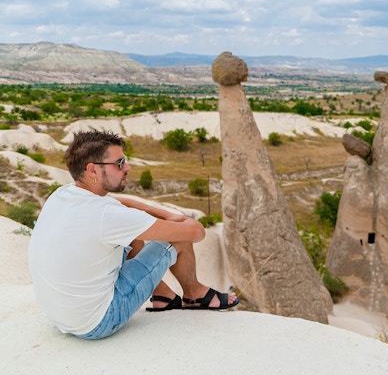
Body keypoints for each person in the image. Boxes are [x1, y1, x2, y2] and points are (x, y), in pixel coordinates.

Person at [28, 129, 238, 340]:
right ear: (92, 170)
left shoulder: (63, 194)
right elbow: (195, 232)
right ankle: (194, 295)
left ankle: (163, 295)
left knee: (132, 236)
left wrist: (163, 213)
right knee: (178, 239)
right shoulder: (108, 216)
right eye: (119, 163)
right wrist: (177, 218)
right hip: (100, 321)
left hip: (61, 317)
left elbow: (121, 204)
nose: (127, 167)